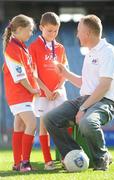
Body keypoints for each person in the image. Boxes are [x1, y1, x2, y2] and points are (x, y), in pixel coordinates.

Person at [43, 14, 114, 171]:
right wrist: (65, 73)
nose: (77, 34)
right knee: (49, 118)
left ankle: (102, 158)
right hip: (85, 99)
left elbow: (104, 86)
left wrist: (83, 108)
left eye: (79, 31)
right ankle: (75, 154)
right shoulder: (89, 53)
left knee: (87, 122)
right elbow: (84, 83)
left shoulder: (108, 52)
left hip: (104, 102)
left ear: (88, 33)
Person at [29, 12, 71, 170]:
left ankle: (67, 156)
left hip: (59, 92)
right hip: (43, 94)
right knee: (44, 126)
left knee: (65, 122)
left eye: (55, 31)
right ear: (41, 28)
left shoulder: (60, 48)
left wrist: (59, 88)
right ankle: (48, 161)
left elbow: (65, 72)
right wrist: (45, 90)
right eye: (49, 31)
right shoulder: (33, 47)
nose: (52, 34)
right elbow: (32, 73)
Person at [3, 14, 40, 172]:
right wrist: (32, 89)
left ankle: (17, 163)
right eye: (29, 30)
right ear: (18, 29)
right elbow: (20, 76)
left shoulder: (21, 47)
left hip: (23, 94)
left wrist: (34, 88)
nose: (31, 33)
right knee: (32, 124)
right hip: (19, 94)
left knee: (19, 126)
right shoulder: (12, 47)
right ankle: (25, 162)